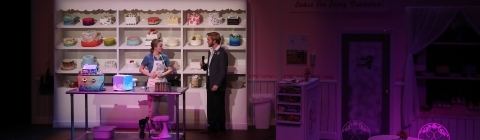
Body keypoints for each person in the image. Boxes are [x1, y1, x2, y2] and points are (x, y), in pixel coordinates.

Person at [139, 39, 174, 133]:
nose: (162, 47)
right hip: (152, 83)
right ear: (155, 47)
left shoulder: (164, 57)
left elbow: (170, 69)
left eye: (162, 45)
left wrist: (162, 74)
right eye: (160, 46)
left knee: (164, 107)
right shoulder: (148, 57)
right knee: (152, 108)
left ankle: (164, 128)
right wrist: (150, 74)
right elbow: (141, 69)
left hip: (162, 83)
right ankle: (152, 127)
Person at [200, 32, 228, 136]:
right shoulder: (210, 51)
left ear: (214, 41)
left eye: (208, 40)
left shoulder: (222, 53)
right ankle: (211, 127)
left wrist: (217, 84)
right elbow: (212, 67)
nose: (207, 41)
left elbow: (222, 71)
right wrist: (204, 66)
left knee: (219, 107)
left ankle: (221, 128)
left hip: (217, 85)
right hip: (210, 82)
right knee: (211, 106)